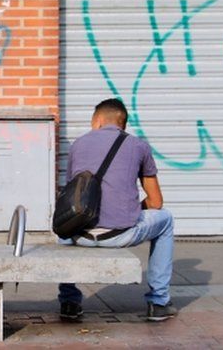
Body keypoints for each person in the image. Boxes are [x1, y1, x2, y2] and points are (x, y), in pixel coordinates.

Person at [58, 98, 176, 323]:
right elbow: (156, 202)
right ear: (123, 124)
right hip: (119, 235)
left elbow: (71, 199)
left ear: (98, 120)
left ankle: (69, 302)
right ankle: (159, 303)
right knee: (166, 219)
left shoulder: (78, 144)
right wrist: (132, 208)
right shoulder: (139, 146)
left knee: (66, 221)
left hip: (80, 234)